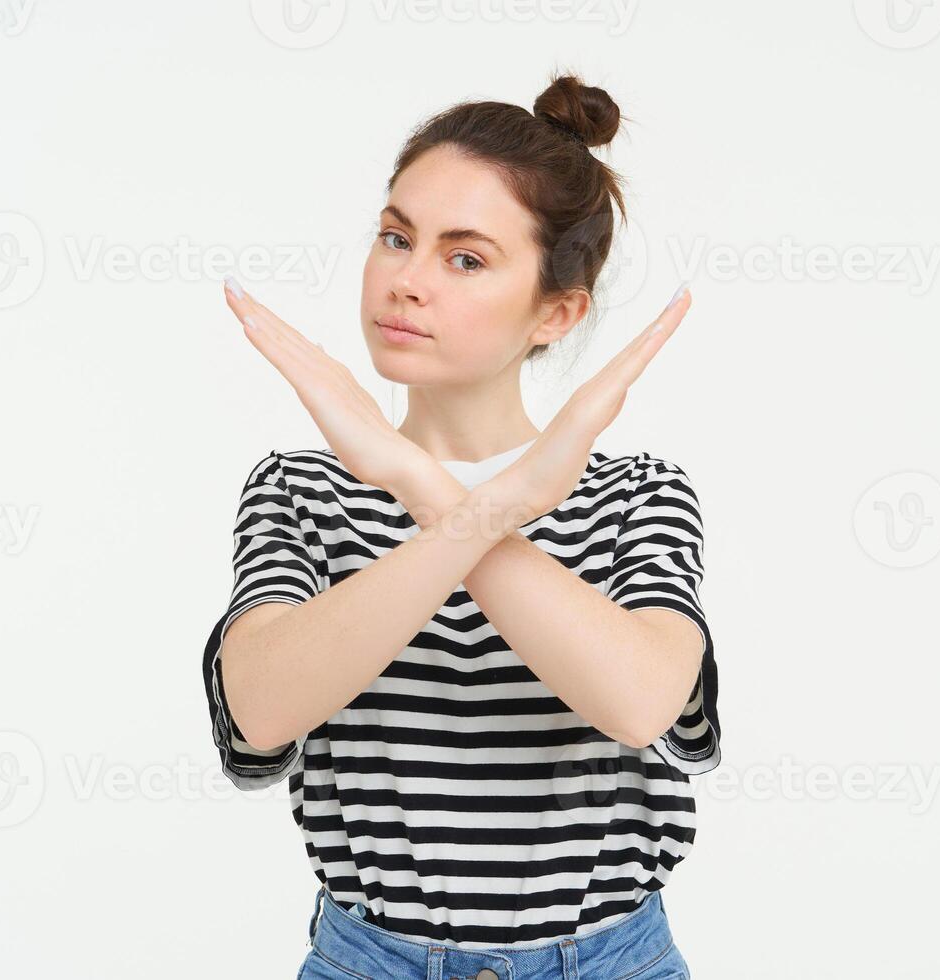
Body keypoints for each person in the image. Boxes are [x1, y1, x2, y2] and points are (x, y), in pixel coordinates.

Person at [204, 73, 720, 979]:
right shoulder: (300, 492)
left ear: (556, 311)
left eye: (465, 258)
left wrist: (425, 483)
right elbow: (258, 708)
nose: (406, 280)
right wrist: (455, 491)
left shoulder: (639, 494)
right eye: (396, 236)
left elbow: (642, 703)